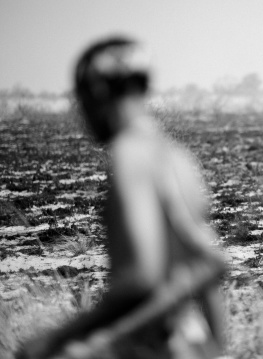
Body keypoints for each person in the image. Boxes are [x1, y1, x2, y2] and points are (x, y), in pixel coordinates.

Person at [16, 36, 225, 359]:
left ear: (97, 93)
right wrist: (213, 348)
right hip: (191, 344)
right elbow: (205, 266)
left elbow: (142, 278)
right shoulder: (178, 158)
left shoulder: (130, 157)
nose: (81, 114)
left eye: (80, 100)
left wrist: (60, 339)